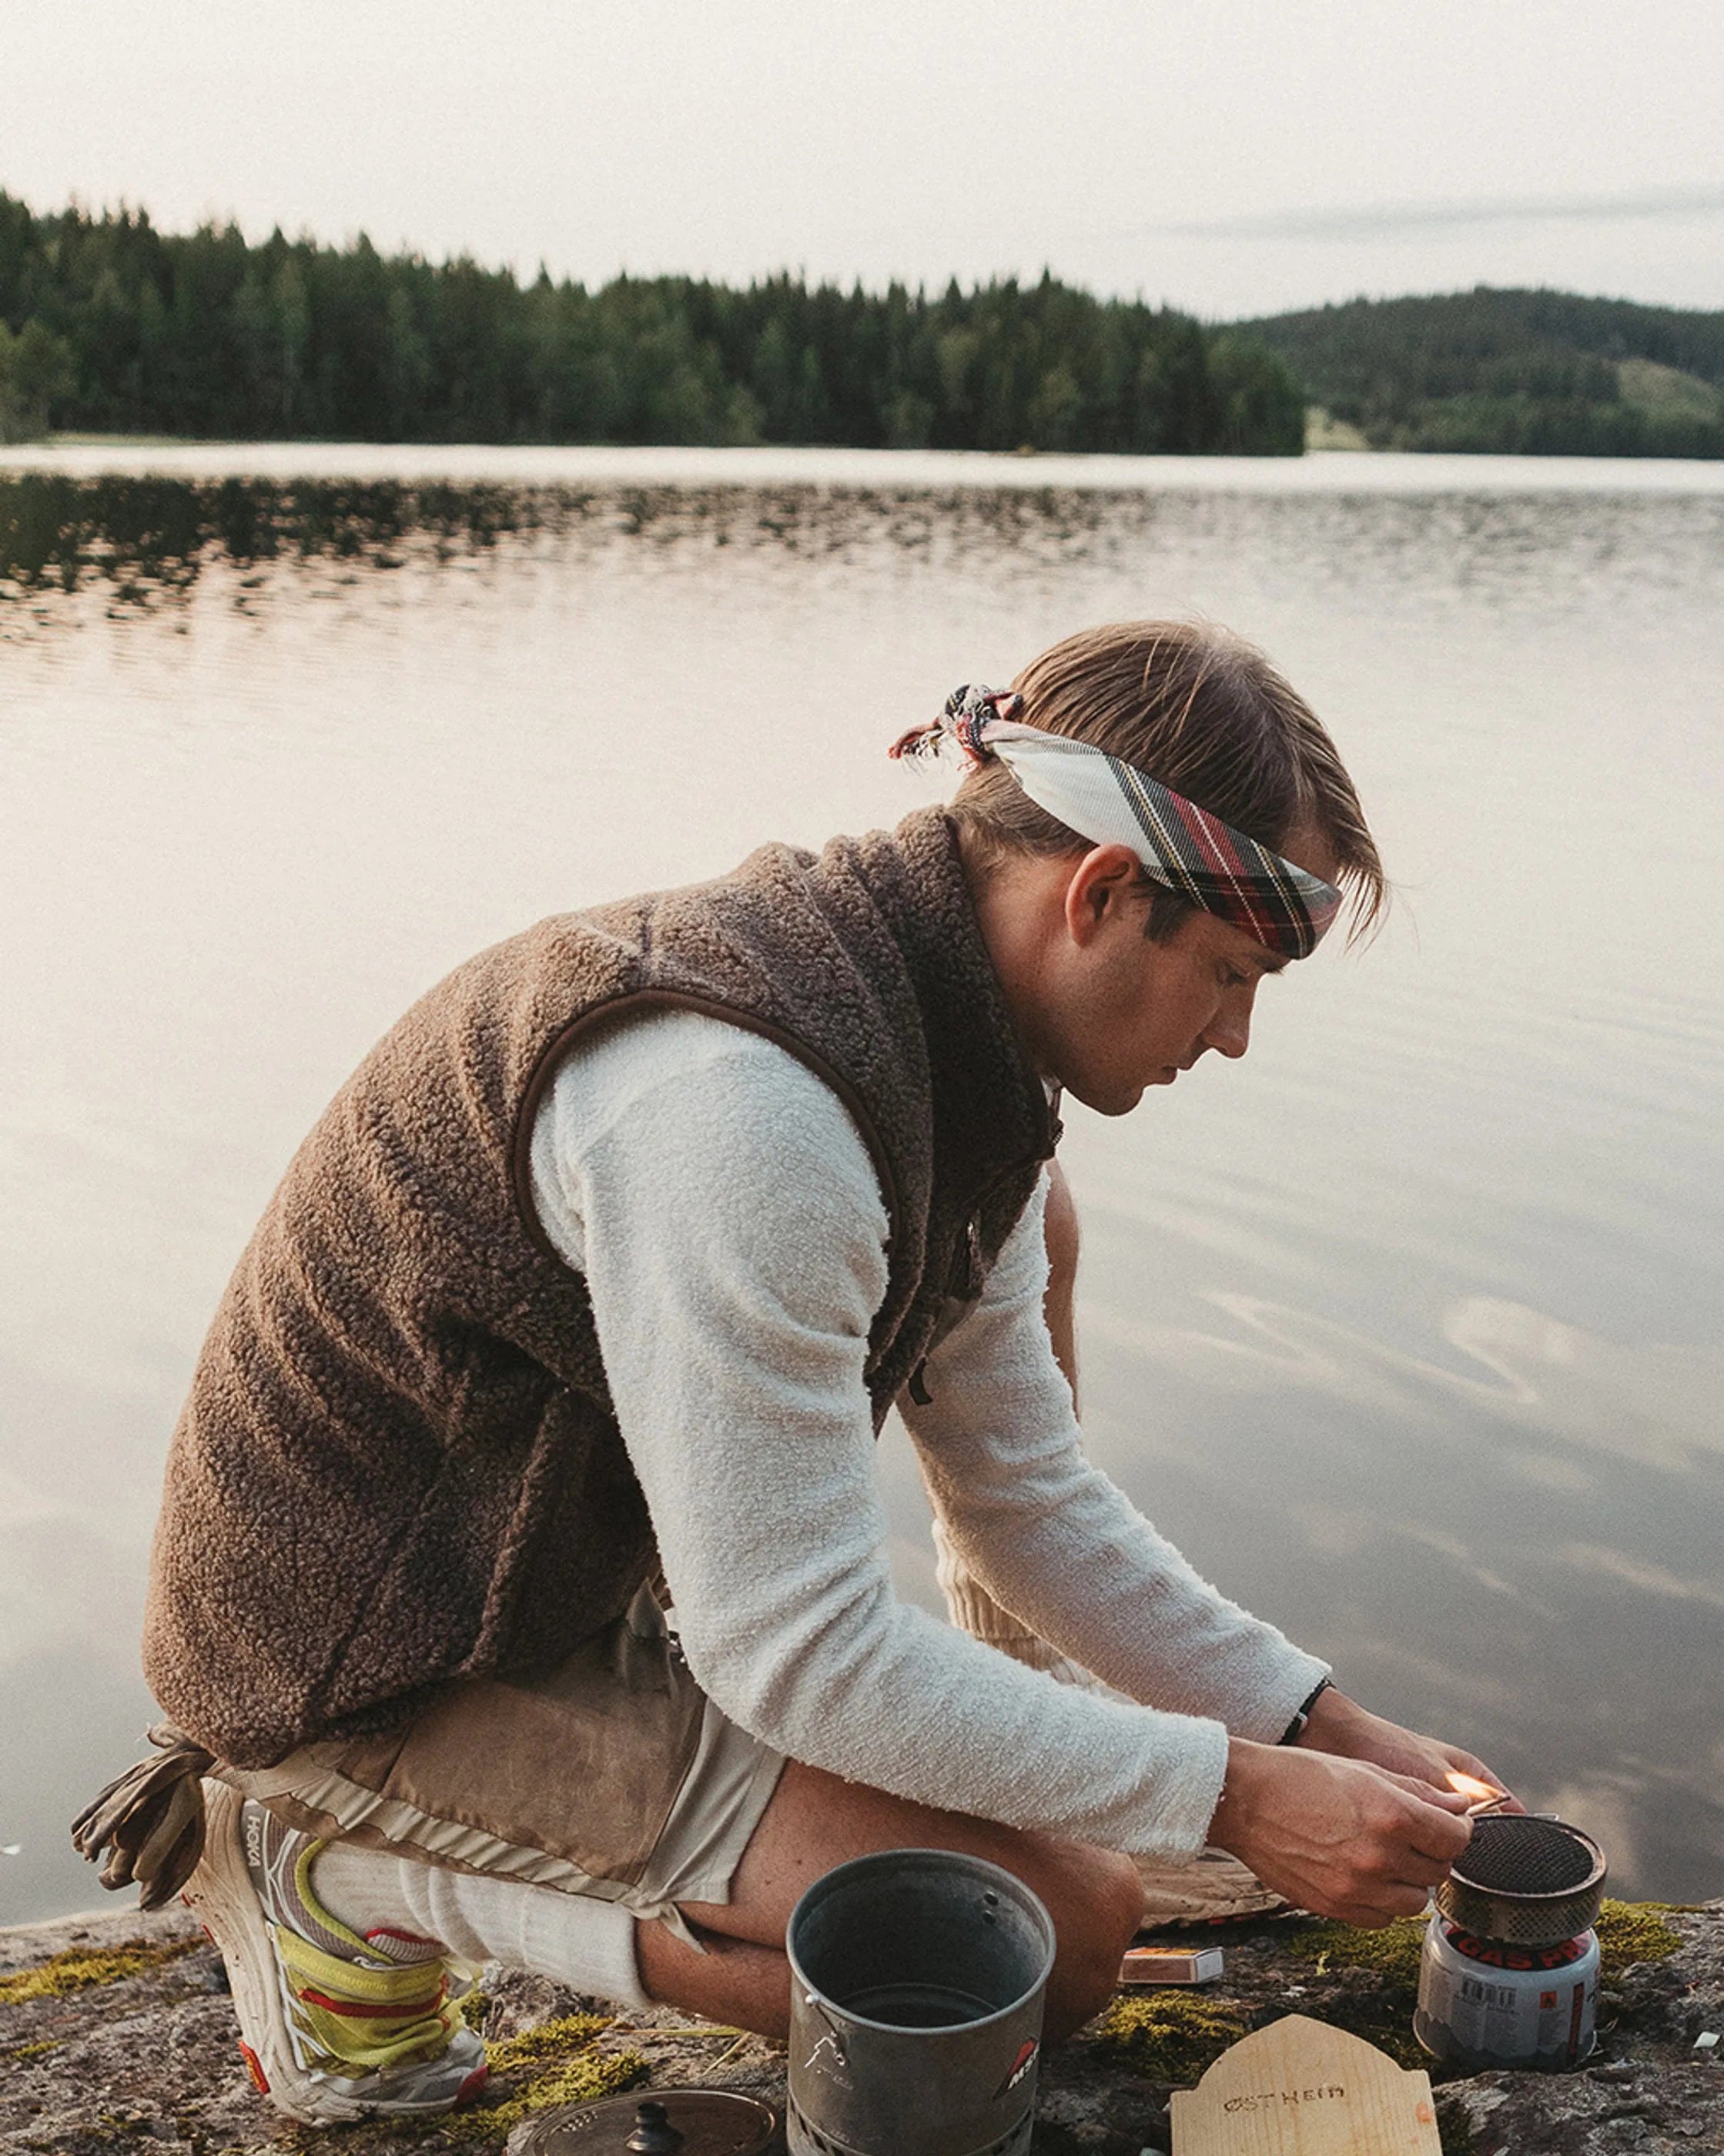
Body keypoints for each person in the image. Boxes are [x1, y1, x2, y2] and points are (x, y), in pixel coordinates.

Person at [76, 620, 1508, 2126]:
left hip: (533, 1586)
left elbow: (1026, 1498)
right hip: (357, 1660)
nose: (1234, 1035)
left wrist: (1320, 1726)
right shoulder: (744, 1116)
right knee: (1032, 1957)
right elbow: (799, 1653)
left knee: (1065, 1881)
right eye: (1228, 971)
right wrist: (1231, 1793)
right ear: (1098, 893)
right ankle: (332, 1869)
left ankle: (457, 1841)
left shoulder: (962, 1059)